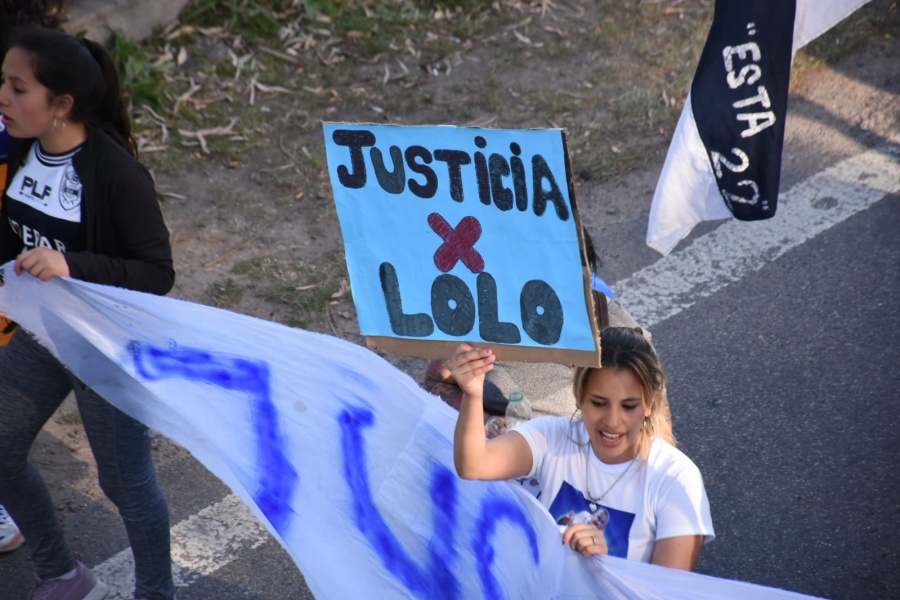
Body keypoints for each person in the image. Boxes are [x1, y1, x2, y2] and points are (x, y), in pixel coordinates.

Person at [0, 27, 176, 600]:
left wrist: (72, 264)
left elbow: (157, 272)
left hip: (106, 344)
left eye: (17, 87)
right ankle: (62, 574)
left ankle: (157, 592)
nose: (2, 96)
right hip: (44, 332)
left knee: (124, 484)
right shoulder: (21, 147)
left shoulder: (119, 174)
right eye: (3, 81)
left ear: (62, 105)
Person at [450, 327, 714, 570]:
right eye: (599, 403)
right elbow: (474, 464)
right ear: (579, 396)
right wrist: (473, 392)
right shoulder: (552, 436)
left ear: (648, 404)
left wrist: (605, 562)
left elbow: (669, 593)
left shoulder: (676, 479)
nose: (612, 421)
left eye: (628, 406)